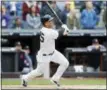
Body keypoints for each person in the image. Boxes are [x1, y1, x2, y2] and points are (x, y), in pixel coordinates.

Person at [21, 14, 69, 88]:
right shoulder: (47, 32)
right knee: (39, 72)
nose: (52, 22)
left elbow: (60, 33)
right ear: (46, 23)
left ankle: (55, 79)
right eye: (50, 21)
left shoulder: (46, 30)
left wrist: (64, 31)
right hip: (44, 56)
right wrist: (64, 28)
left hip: (53, 53)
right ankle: (25, 78)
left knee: (65, 63)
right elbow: (59, 33)